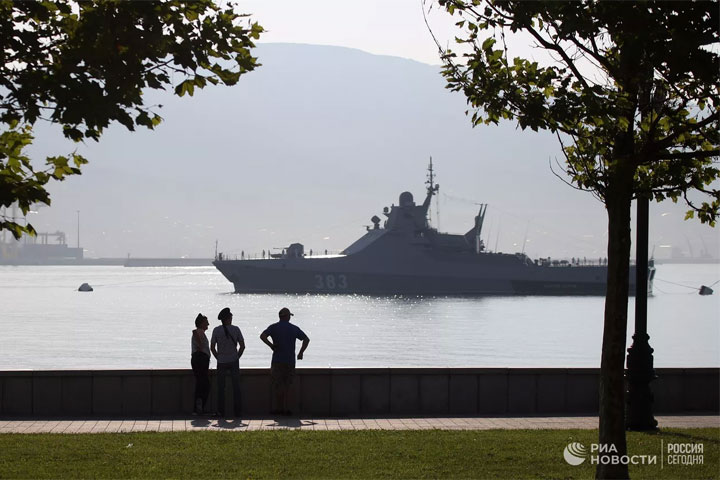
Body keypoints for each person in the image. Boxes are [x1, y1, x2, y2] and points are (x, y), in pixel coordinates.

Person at [260, 307, 309, 416]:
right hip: (290, 361)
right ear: (287, 317)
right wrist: (301, 353)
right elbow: (306, 339)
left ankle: (278, 409)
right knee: (288, 385)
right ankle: (287, 409)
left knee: (278, 385)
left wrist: (271, 346)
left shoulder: (273, 327)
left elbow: (262, 336)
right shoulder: (294, 328)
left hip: (277, 361)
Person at [210, 307, 245, 418]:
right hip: (234, 361)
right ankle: (238, 412)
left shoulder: (216, 330)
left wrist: (218, 357)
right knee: (236, 387)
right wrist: (236, 357)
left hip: (221, 362)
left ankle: (221, 411)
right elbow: (242, 346)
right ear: (228, 318)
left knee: (221, 388)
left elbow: (212, 347)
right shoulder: (236, 329)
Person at [191, 313, 210, 415]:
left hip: (201, 359)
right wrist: (200, 345)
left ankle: (199, 408)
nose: (208, 324)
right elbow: (195, 333)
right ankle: (198, 408)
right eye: (206, 322)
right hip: (200, 359)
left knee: (201, 383)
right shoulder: (198, 331)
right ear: (202, 323)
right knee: (203, 384)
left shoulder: (200, 332)